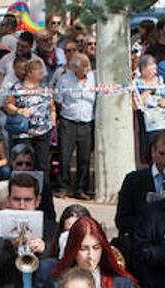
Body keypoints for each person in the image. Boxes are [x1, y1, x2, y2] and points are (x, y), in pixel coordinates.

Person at [54, 52, 96, 200]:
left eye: (87, 67)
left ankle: (81, 188)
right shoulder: (65, 79)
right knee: (65, 156)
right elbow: (58, 99)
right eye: (83, 68)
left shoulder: (94, 79)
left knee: (84, 158)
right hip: (68, 121)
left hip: (87, 122)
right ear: (74, 68)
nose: (86, 70)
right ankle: (63, 187)